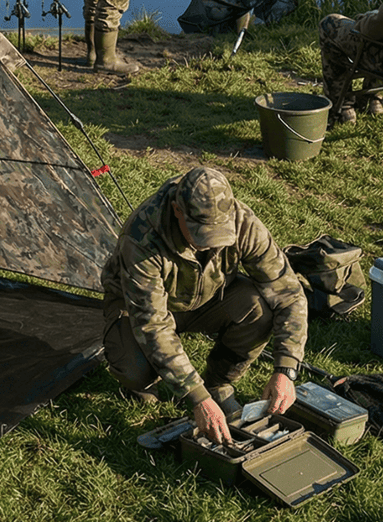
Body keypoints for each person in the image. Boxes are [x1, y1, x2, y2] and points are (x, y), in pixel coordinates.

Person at [101, 166, 307, 445]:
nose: (209, 242)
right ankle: (146, 383)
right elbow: (152, 324)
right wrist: (196, 397)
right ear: (177, 210)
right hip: (140, 308)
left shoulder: (243, 222)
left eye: (218, 233)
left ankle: (219, 383)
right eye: (201, 232)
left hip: (208, 298)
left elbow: (289, 293)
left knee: (258, 307)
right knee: (135, 370)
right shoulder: (142, 237)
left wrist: (286, 369)